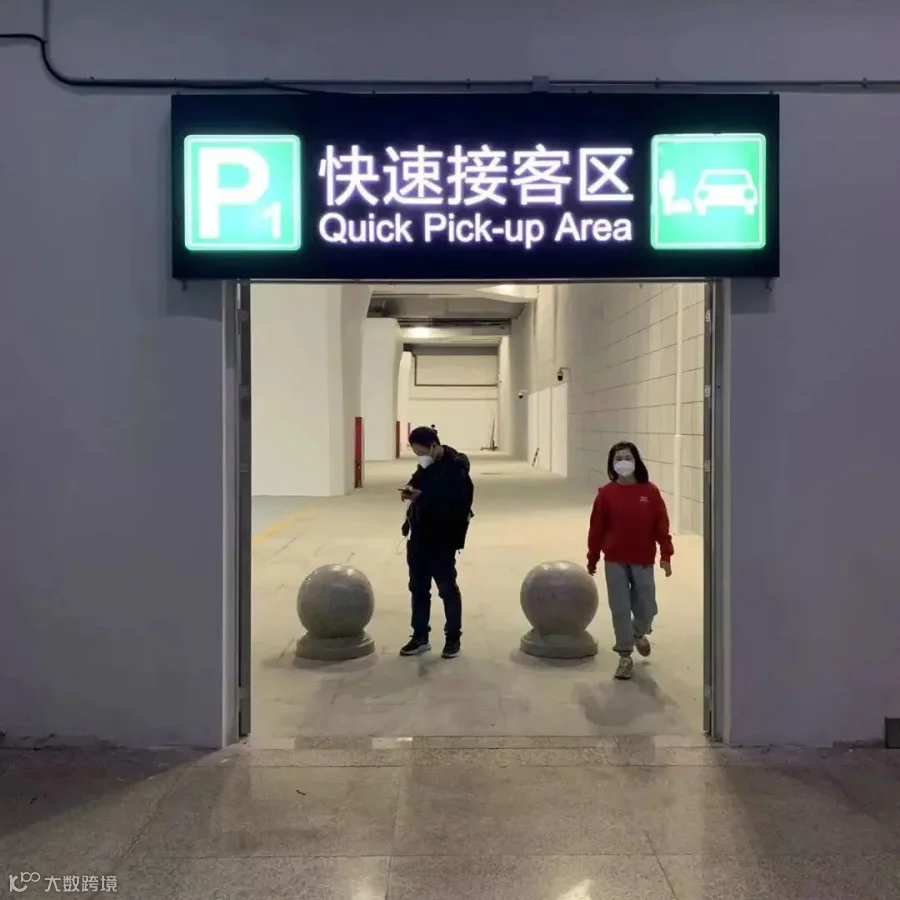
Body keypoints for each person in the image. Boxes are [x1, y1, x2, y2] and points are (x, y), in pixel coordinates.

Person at [586, 441, 674, 681]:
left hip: (642, 559)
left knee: (646, 607)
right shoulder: (606, 494)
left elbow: (661, 525)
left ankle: (638, 632)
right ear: (611, 464)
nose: (623, 462)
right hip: (615, 560)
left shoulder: (650, 492)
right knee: (620, 608)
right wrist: (593, 557)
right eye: (618, 459)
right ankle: (624, 655)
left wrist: (666, 554)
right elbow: (596, 529)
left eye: (627, 457)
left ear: (636, 461)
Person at [399, 426, 474, 659]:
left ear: (434, 446)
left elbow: (456, 506)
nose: (420, 457)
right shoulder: (425, 466)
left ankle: (453, 638)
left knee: (447, 589)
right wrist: (409, 490)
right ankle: (420, 636)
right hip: (418, 538)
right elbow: (417, 482)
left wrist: (423, 497)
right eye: (416, 454)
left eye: (422, 452)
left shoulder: (456, 469)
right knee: (418, 589)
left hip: (442, 540)